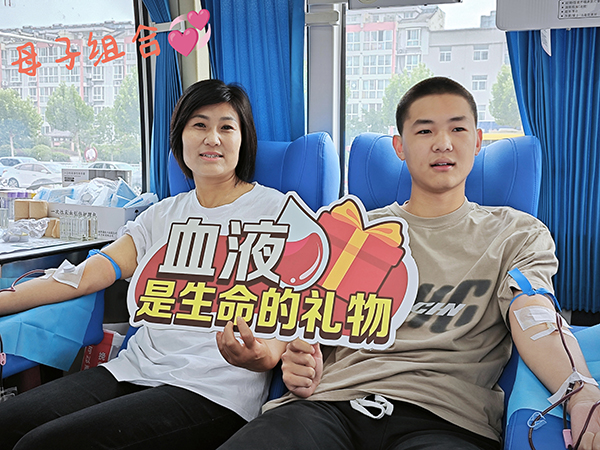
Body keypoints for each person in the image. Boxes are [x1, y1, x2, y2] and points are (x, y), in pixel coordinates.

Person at [218, 77, 600, 450]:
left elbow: (535, 317)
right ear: (400, 146)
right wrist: (292, 361)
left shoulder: (516, 233)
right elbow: (298, 323)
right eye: (425, 131)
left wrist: (581, 393)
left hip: (445, 420)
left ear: (477, 141)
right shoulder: (349, 230)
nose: (443, 143)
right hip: (330, 406)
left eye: (457, 129)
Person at [0, 79, 287, 450]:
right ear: (179, 138)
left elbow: (297, 310)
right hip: (136, 368)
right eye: (199, 125)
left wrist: (265, 356)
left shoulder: (278, 213)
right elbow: (87, 276)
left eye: (226, 127)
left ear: (243, 139)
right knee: (8, 423)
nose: (212, 138)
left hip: (215, 390)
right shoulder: (161, 215)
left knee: (41, 445)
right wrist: (6, 299)